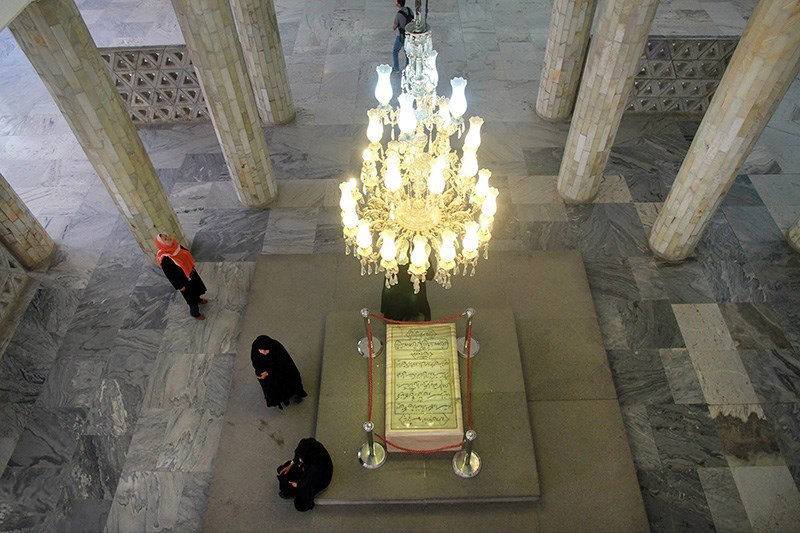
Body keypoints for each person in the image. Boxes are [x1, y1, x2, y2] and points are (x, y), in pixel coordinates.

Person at [154, 233, 207, 320]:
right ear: (161, 244)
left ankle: (199, 299)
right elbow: (170, 276)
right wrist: (180, 286)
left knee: (197, 287)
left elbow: (186, 252)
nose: (168, 238)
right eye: (164, 239)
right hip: (183, 281)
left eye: (166, 236)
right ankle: (195, 313)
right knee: (190, 297)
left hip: (190, 273)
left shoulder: (176, 246)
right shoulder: (165, 259)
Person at [251, 335, 308, 410]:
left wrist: (268, 372)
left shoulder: (277, 348)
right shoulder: (255, 351)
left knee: (288, 385)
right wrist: (261, 372)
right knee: (276, 388)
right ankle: (283, 399)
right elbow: (256, 363)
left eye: (266, 350)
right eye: (261, 350)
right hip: (272, 377)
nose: (264, 352)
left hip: (283, 373)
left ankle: (293, 394)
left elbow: (284, 364)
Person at [276, 438, 333, 512]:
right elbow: (297, 457)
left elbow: (308, 480)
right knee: (286, 471)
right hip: (308, 468)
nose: (299, 460)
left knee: (304, 493)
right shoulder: (304, 446)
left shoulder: (315, 466)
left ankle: (292, 493)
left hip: (320, 478)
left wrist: (297, 485)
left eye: (301, 460)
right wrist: (290, 465)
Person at [392, 0, 414, 73]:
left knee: (395, 51)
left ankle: (396, 68)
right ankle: (408, 68)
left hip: (401, 36)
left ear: (398, 4)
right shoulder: (409, 9)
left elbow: (394, 27)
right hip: (409, 35)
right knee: (407, 52)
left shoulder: (399, 14)